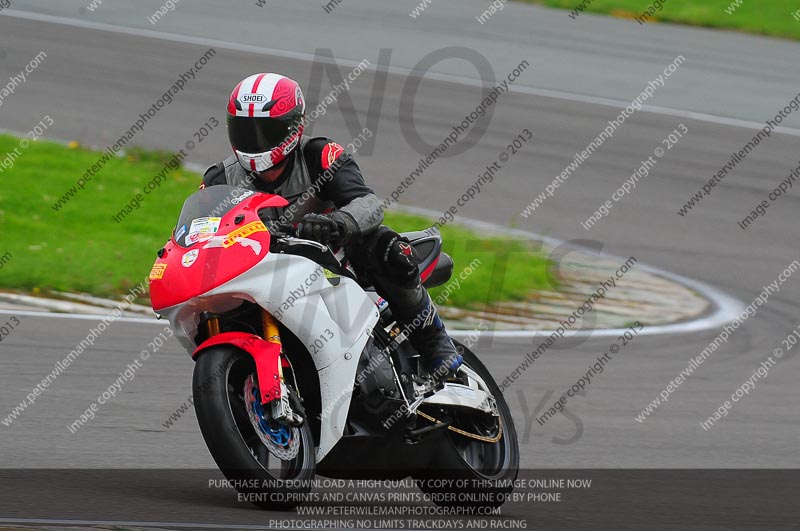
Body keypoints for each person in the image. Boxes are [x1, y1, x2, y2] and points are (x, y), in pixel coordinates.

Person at [201, 73, 462, 380]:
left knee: (386, 247)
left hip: (337, 263)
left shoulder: (320, 155)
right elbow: (202, 228)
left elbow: (367, 203)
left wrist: (339, 222)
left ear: (294, 125)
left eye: (267, 129)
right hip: (262, 269)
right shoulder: (219, 179)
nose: (256, 141)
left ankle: (434, 344)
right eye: (246, 130)